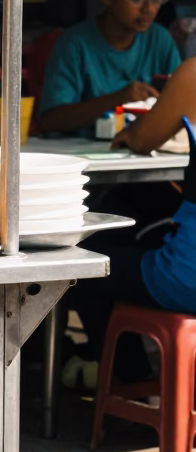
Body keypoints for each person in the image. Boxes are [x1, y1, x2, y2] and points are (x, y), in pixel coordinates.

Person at [67, 60, 196, 388]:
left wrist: (129, 135)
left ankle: (130, 382)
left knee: (80, 261)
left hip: (187, 280)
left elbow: (142, 139)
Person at [39, 0, 181, 137]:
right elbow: (51, 120)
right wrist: (119, 98)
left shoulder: (160, 40)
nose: (149, 8)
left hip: (144, 156)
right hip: (83, 159)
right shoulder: (74, 44)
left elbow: (181, 105)